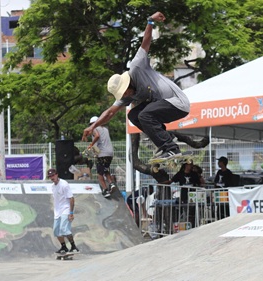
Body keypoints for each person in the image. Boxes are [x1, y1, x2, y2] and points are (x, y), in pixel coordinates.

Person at [82, 11, 190, 162]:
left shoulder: (136, 68)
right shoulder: (128, 95)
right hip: (163, 107)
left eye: (124, 92)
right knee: (132, 115)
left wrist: (150, 21)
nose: (125, 96)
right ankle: (166, 141)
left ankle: (171, 148)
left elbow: (145, 43)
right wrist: (93, 127)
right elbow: (109, 113)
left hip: (177, 103)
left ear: (127, 84)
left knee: (144, 115)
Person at [47, 168, 79, 253]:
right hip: (57, 211)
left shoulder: (64, 184)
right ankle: (64, 247)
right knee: (56, 231)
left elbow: (71, 198)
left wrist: (71, 213)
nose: (52, 177)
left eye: (53, 175)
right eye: (50, 176)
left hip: (66, 209)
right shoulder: (53, 186)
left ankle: (73, 246)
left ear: (57, 174)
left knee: (64, 229)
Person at [87, 116, 116, 198]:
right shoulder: (105, 129)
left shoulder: (94, 129)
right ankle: (111, 183)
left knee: (100, 174)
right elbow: (101, 143)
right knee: (105, 170)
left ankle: (105, 190)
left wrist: (91, 145)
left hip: (102, 154)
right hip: (110, 153)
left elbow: (97, 136)